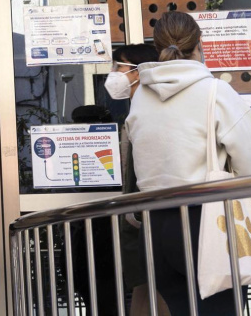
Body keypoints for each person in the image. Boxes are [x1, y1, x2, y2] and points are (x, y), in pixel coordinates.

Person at [125, 11, 251, 316]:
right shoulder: (216, 91)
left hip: (156, 225)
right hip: (208, 220)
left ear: (157, 45)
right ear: (199, 43)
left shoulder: (141, 99)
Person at [106, 43, 171, 316]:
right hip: (140, 220)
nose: (113, 74)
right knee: (144, 294)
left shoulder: (152, 110)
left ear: (137, 72)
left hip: (152, 220)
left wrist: (134, 212)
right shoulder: (135, 110)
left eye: (119, 67)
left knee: (160, 294)